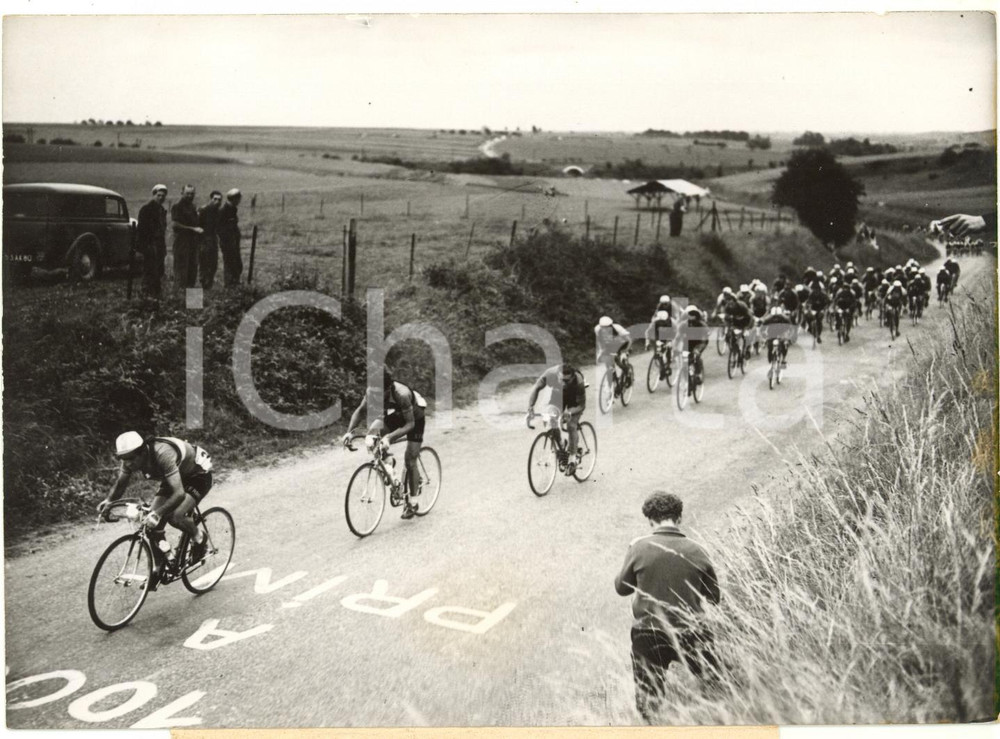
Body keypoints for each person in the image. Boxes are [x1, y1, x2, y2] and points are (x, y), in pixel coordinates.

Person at [614, 491, 720, 722]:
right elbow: (714, 597)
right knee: (715, 686)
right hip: (691, 631)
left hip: (649, 632)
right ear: (679, 518)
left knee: (648, 703)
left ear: (650, 520)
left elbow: (621, 588)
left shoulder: (639, 547)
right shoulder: (698, 550)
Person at [98, 432, 213, 579]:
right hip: (175, 475)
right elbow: (121, 484)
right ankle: (159, 568)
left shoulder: (163, 454)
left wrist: (157, 513)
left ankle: (200, 537)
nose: (127, 464)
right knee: (151, 524)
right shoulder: (130, 457)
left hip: (198, 474)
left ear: (143, 452)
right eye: (122, 459)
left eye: (131, 459)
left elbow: (178, 494)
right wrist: (109, 501)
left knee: (175, 516)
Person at [341, 370, 428, 520]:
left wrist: (389, 437)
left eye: (379, 394)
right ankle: (388, 463)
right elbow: (360, 411)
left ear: (388, 389)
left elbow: (409, 424)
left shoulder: (402, 394)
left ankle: (412, 503)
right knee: (372, 435)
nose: (375, 397)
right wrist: (349, 433)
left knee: (410, 459)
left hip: (415, 418)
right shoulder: (372, 390)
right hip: (396, 415)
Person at [526, 363, 587, 473]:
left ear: (572, 377)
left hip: (575, 402)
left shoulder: (578, 381)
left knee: (571, 425)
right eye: (561, 380)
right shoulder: (550, 374)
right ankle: (561, 446)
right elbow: (536, 387)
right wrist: (530, 407)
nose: (563, 384)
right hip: (558, 398)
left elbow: (581, 406)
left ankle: (572, 459)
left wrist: (569, 411)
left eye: (566, 381)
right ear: (557, 376)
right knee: (549, 419)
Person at [137, 184, 168, 298]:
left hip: (159, 243)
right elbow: (142, 230)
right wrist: (146, 246)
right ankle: (147, 293)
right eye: (159, 195)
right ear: (154, 195)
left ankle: (155, 293)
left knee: (159, 270)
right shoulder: (146, 209)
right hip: (150, 244)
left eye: (163, 196)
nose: (161, 198)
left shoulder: (161, 210)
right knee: (150, 269)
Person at [198, 190, 223, 289]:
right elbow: (198, 226)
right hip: (203, 241)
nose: (217, 201)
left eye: (219, 200)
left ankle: (208, 291)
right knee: (203, 266)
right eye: (215, 199)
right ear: (211, 199)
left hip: (213, 241)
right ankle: (196, 301)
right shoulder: (203, 210)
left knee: (213, 266)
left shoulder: (218, 212)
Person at [219, 188, 244, 286]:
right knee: (230, 265)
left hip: (234, 242)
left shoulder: (233, 209)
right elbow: (220, 229)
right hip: (228, 243)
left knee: (237, 265)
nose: (239, 201)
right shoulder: (224, 211)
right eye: (239, 199)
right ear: (234, 199)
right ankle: (230, 287)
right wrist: (227, 242)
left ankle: (235, 285)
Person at [679, 305, 709, 384]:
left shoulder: (702, 324)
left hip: (700, 342)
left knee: (696, 355)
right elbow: (678, 336)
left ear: (697, 315)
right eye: (689, 315)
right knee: (685, 357)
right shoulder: (683, 325)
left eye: (693, 315)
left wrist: (698, 348)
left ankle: (699, 373)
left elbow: (705, 338)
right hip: (688, 342)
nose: (691, 317)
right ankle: (687, 373)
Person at [595, 316, 632, 380]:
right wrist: (600, 353)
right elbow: (600, 342)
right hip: (611, 344)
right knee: (608, 363)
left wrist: (625, 351)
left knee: (619, 362)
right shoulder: (597, 329)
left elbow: (629, 340)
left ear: (611, 325)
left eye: (607, 327)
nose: (605, 329)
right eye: (603, 327)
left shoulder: (618, 328)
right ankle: (613, 379)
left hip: (623, 344)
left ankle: (627, 373)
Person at [760, 305, 795, 370]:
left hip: (782, 333)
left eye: (778, 316)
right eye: (774, 316)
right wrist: (764, 337)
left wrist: (788, 337)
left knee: (785, 344)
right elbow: (762, 328)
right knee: (769, 346)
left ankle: (783, 359)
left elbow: (791, 328)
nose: (776, 318)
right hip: (771, 333)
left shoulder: (785, 318)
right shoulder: (768, 319)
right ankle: (770, 360)